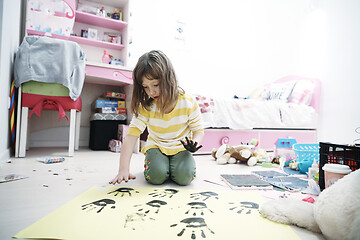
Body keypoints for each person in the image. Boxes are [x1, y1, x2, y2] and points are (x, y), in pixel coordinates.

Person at [109, 50, 204, 186]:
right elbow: (131, 137)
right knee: (155, 177)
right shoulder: (146, 106)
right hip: (156, 146)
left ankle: (174, 167)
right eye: (146, 87)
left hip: (181, 148)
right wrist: (123, 169)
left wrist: (194, 143)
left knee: (184, 178)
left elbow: (198, 130)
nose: (151, 92)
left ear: (168, 79)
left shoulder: (187, 102)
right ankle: (162, 166)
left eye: (156, 85)